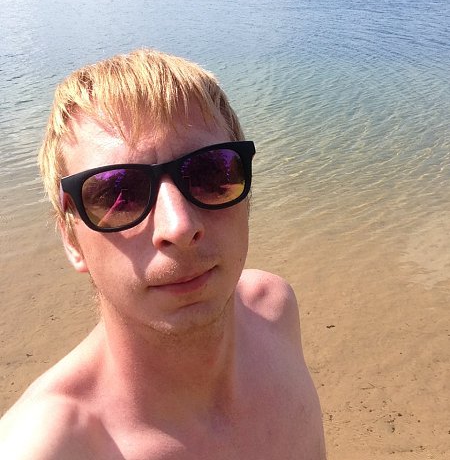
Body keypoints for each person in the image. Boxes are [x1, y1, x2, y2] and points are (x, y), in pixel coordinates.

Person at [0, 49, 326, 459]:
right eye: (118, 193)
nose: (180, 226)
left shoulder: (274, 310)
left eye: (211, 172)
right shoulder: (52, 446)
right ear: (71, 238)